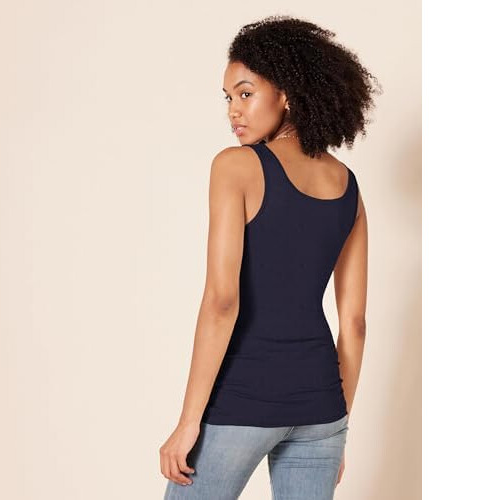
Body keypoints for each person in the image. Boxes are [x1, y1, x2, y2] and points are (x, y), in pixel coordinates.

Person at [159, 15, 382, 500]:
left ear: (287, 94)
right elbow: (355, 323)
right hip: (322, 410)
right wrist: (337, 424)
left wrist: (188, 422)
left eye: (245, 93)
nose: (234, 111)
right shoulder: (347, 185)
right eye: (228, 98)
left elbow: (222, 301)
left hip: (243, 399)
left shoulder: (235, 166)